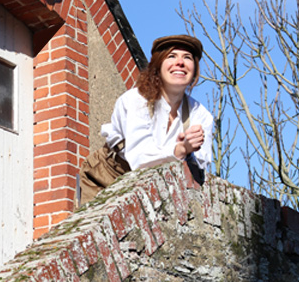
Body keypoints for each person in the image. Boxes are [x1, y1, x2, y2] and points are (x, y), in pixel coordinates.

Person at [80, 35, 213, 203]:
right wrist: (180, 149)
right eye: (171, 56)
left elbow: (200, 172)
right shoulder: (135, 100)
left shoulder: (201, 115)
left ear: (194, 69)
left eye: (187, 57)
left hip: (156, 184)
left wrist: (190, 155)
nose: (180, 62)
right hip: (107, 177)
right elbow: (140, 159)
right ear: (157, 65)